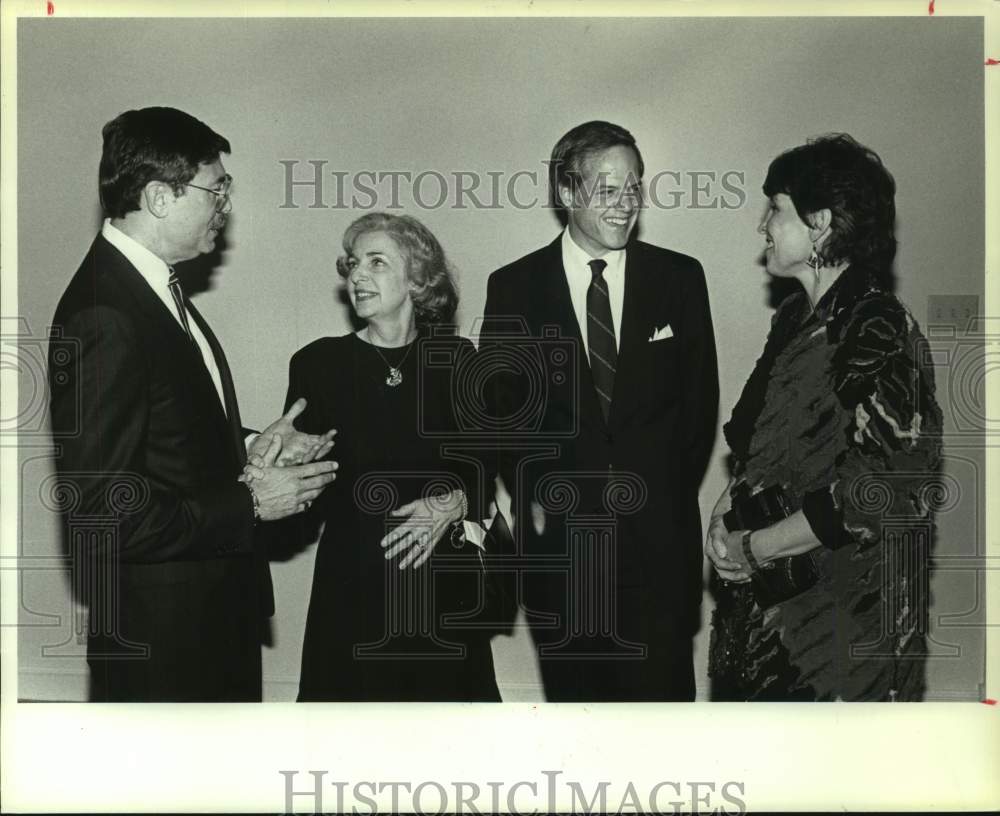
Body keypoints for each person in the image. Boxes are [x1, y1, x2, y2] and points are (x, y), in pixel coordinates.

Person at [48, 106, 338, 702]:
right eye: (217, 188)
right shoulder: (106, 313)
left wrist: (250, 443)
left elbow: (164, 434)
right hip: (165, 649)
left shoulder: (153, 290)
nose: (224, 205)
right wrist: (250, 502)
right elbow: (101, 513)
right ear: (160, 197)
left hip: (204, 627)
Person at [480, 121, 719, 701]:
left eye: (634, 187)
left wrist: (653, 494)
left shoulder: (679, 278)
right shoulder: (513, 287)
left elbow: (698, 410)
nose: (626, 204)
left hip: (658, 551)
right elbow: (502, 420)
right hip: (562, 556)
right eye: (608, 189)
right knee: (577, 733)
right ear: (567, 192)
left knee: (661, 735)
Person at [705, 134, 943, 701]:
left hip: (840, 627)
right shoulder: (793, 317)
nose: (763, 225)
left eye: (775, 209)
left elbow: (880, 489)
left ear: (820, 224)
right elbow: (752, 444)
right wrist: (722, 525)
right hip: (764, 616)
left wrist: (755, 548)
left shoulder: (877, 328)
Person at [272, 212, 501, 701]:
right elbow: (300, 494)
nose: (357, 275)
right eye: (354, 264)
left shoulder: (458, 360)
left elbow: (486, 464)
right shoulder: (317, 364)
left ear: (418, 280)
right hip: (353, 585)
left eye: (377, 263)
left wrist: (456, 501)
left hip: (440, 587)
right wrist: (283, 467)